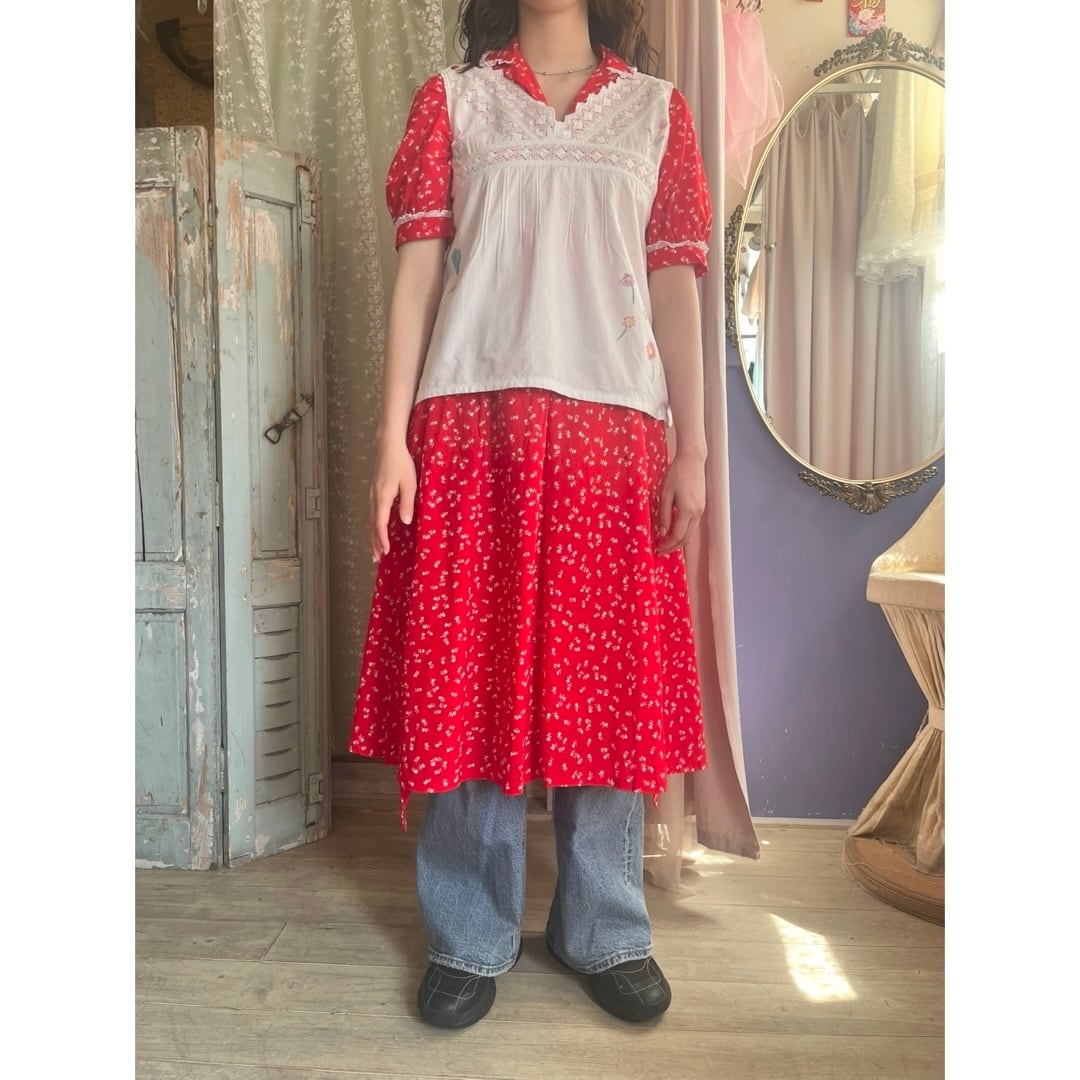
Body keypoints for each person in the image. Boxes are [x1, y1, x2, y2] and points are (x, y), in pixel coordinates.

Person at [350, 0, 713, 1030]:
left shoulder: (657, 112)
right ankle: (469, 930)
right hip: (473, 429)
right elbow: (418, 277)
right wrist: (390, 438)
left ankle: (604, 927)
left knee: (611, 685)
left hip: (614, 435)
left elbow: (674, 286)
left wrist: (692, 447)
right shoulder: (453, 104)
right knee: (469, 675)